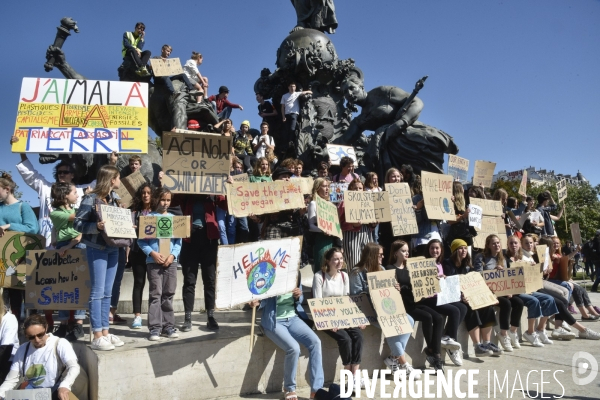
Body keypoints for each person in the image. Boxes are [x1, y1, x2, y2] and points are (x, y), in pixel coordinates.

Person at [10, 136, 101, 248]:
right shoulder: (46, 188)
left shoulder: (81, 191)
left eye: (65, 172)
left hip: (77, 241)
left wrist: (111, 162)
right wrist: (21, 149)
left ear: (72, 174)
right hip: (49, 241)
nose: (61, 174)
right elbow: (30, 174)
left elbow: (101, 181)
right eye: (59, 172)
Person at [73, 165, 126, 351]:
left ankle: (105, 331)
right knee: (97, 292)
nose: (120, 181)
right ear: (112, 179)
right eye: (118, 177)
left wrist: (127, 227)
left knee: (107, 292)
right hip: (96, 248)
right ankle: (96, 334)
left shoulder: (113, 200)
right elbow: (78, 224)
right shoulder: (90, 198)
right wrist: (96, 227)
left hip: (113, 248)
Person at [349, 243, 418, 377]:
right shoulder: (357, 272)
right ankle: (404, 363)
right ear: (372, 255)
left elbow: (389, 290)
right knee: (391, 328)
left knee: (409, 321)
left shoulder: (381, 268)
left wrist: (395, 288)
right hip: (369, 311)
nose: (382, 257)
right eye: (380, 254)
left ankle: (393, 358)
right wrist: (373, 289)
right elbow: (356, 296)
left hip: (386, 309)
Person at [248, 278, 323, 399]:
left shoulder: (295, 273)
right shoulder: (270, 275)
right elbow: (263, 299)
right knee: (294, 348)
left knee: (315, 342)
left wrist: (299, 296)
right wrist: (256, 302)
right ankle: (289, 388)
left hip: (293, 318)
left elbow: (300, 301)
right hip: (274, 320)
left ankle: (316, 389)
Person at [523, 235, 600, 341]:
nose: (529, 245)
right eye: (526, 243)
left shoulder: (534, 255)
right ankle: (582, 329)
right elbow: (529, 275)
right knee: (559, 297)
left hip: (539, 282)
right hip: (533, 286)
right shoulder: (528, 256)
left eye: (531, 243)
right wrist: (540, 269)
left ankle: (553, 327)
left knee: (564, 296)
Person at [387, 240, 448, 371]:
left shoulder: (411, 267)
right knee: (427, 317)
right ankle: (434, 355)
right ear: (396, 253)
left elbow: (421, 281)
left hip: (415, 302)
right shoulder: (390, 269)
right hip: (403, 306)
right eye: (403, 251)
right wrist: (396, 286)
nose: (407, 253)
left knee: (438, 318)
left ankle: (434, 352)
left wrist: (434, 279)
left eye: (408, 251)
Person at [312, 248, 365, 389]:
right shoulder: (319, 276)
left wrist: (357, 319)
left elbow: (346, 301)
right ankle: (347, 374)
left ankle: (355, 374)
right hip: (325, 317)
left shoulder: (344, 276)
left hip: (341, 316)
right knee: (345, 339)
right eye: (336, 259)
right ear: (328, 261)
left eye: (341, 258)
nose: (339, 262)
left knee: (358, 335)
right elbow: (317, 302)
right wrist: (330, 322)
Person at [0, 314, 81, 400]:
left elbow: (74, 367)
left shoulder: (60, 343)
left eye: (40, 335)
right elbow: (11, 379)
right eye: (31, 337)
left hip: (55, 391)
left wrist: (65, 385)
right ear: (26, 335)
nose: (37, 340)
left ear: (46, 328)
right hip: (30, 393)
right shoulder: (22, 349)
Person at [137, 188, 181, 341]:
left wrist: (172, 255)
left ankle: (168, 326)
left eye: (168, 200)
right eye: (163, 200)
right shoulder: (149, 218)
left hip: (171, 262)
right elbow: (141, 241)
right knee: (156, 295)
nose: (165, 203)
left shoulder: (174, 219)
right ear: (157, 199)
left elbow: (178, 242)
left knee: (168, 294)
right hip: (153, 263)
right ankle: (155, 328)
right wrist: (152, 253)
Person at [443, 239, 498, 358]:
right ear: (454, 251)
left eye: (464, 248)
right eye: (460, 248)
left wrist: (488, 295)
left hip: (466, 296)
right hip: (455, 298)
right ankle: (477, 345)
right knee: (471, 308)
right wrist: (462, 296)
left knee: (487, 306)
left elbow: (475, 282)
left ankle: (487, 343)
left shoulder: (467, 264)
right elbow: (449, 286)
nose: (463, 251)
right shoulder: (447, 264)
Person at [172, 195, 220, 331]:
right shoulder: (186, 197)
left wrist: (224, 188)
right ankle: (188, 318)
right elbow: (174, 203)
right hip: (189, 239)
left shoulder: (212, 194)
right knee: (189, 280)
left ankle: (211, 316)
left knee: (210, 280)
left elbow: (226, 205)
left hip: (209, 239)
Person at [504, 235, 559, 347]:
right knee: (534, 301)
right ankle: (530, 332)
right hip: (515, 291)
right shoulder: (505, 259)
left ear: (519, 244)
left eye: (515, 243)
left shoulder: (523, 258)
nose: (513, 245)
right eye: (511, 243)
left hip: (528, 288)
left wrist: (534, 269)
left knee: (549, 299)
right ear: (507, 245)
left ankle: (540, 329)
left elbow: (532, 277)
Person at [473, 234, 524, 352]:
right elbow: (477, 275)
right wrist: (493, 272)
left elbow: (506, 277)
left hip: (501, 290)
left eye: (498, 243)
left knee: (519, 302)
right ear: (488, 245)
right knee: (506, 303)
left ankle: (513, 331)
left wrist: (509, 290)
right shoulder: (481, 257)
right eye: (494, 243)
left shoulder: (502, 258)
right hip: (487, 291)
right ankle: (503, 334)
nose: (497, 245)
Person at [421, 239, 468, 366]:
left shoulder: (440, 264)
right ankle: (449, 340)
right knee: (454, 310)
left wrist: (444, 279)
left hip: (440, 296)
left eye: (437, 248)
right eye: (432, 248)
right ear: (428, 250)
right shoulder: (424, 263)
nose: (434, 250)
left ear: (441, 250)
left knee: (462, 308)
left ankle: (449, 337)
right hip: (429, 299)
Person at [49, 182, 86, 341]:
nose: (77, 196)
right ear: (65, 196)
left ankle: (78, 323)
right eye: (74, 193)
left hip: (80, 246)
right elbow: (79, 217)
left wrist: (76, 241)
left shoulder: (75, 209)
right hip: (64, 247)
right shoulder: (56, 214)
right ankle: (63, 324)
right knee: (64, 287)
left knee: (81, 285)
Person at [0, 173, 39, 322]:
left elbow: (33, 229)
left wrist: (9, 226)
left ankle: (32, 325)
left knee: (27, 292)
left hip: (22, 257)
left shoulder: (23, 206)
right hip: (4, 258)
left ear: (7, 189)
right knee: (9, 293)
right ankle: (12, 327)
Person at [129, 183, 153, 329]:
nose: (145, 195)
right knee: (138, 283)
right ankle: (137, 316)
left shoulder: (156, 211)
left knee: (154, 285)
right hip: (137, 252)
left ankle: (153, 314)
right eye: (143, 192)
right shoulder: (134, 212)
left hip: (153, 252)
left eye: (148, 193)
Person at [338, 179, 374, 270]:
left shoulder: (368, 202)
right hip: (351, 236)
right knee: (354, 264)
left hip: (366, 234)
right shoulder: (344, 203)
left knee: (368, 261)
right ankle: (354, 283)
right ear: (350, 190)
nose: (358, 190)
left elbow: (371, 223)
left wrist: (374, 224)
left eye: (360, 188)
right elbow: (339, 223)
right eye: (355, 188)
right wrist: (352, 225)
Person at [307, 178, 337, 271]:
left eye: (328, 186)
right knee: (322, 267)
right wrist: (322, 230)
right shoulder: (313, 203)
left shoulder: (331, 204)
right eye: (324, 186)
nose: (327, 189)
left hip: (331, 240)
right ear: (317, 188)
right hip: (320, 240)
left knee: (331, 268)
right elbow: (311, 226)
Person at [280, 82, 312, 152]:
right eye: (291, 86)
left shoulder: (297, 94)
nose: (292, 88)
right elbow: (282, 107)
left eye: (294, 86)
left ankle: (291, 142)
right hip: (287, 114)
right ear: (288, 87)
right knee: (286, 130)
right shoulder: (284, 96)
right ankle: (287, 143)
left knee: (292, 128)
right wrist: (283, 116)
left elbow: (305, 92)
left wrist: (310, 91)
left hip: (294, 114)